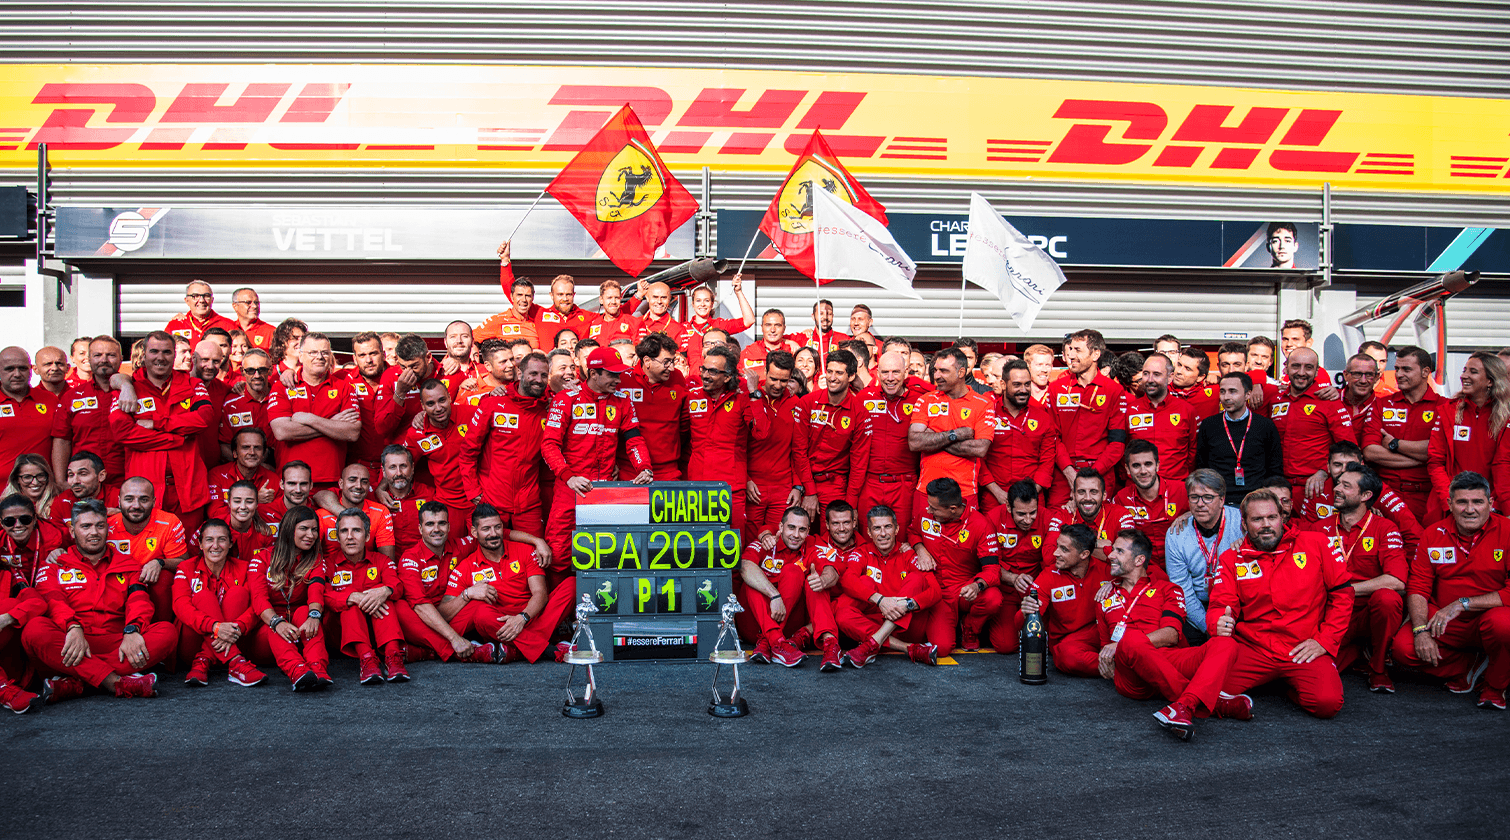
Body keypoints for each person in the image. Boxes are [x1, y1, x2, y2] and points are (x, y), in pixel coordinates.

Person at [1208, 488, 1352, 719]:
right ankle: (1278, 678)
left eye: (1272, 517)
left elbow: (1342, 595)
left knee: (1327, 704)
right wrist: (1218, 622)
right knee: (1207, 689)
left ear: (1282, 517)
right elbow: (1220, 603)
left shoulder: (1316, 543)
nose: (1266, 525)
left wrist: (1324, 641)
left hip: (1303, 647)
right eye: (1257, 519)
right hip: (1254, 647)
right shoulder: (1231, 558)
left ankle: (1287, 683)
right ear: (1244, 524)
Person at [1099, 528, 1248, 740]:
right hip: (1131, 674)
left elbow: (1171, 635)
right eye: (1113, 550)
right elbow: (1106, 648)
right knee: (1130, 639)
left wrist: (1121, 644)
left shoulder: (1169, 589)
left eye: (1119, 551)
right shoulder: (1104, 596)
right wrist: (1112, 654)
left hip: (1169, 659)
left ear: (1139, 560)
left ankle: (1185, 705)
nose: (1111, 555)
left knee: (1227, 643)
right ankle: (1213, 703)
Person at [23, 499, 170, 702]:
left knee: (167, 632)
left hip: (118, 643)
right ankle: (115, 682)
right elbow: (54, 601)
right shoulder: (55, 565)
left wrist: (132, 630)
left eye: (100, 526)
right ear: (72, 531)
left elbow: (139, 600)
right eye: (86, 526)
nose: (94, 532)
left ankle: (78, 681)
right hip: (71, 639)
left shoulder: (128, 564)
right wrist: (72, 627)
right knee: (34, 630)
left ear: (107, 529)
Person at [1391, 472, 1510, 710]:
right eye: (1462, 502)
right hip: (1444, 621)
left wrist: (1462, 604)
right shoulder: (1433, 534)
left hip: (1487, 618)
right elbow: (1418, 586)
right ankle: (1470, 665)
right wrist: (1420, 630)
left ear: (1490, 503)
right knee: (1403, 649)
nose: (1470, 510)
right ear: (1449, 504)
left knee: (1504, 625)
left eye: (1478, 502)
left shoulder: (1507, 531)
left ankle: (1494, 686)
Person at [540, 346, 654, 571]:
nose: (618, 380)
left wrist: (644, 467)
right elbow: (549, 445)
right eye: (612, 375)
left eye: (619, 374)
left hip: (605, 490)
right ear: (593, 373)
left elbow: (634, 439)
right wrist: (568, 476)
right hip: (570, 488)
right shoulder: (566, 399)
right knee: (560, 552)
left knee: (605, 554)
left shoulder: (622, 401)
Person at [1303, 463, 1407, 693]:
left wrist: (1346, 589)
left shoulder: (1385, 527)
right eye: (1338, 483)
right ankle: (1358, 651)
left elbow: (1397, 580)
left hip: (1365, 613)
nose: (1336, 489)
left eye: (1346, 486)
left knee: (1388, 599)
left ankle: (1378, 668)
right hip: (1329, 614)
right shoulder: (1318, 528)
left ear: (1365, 496)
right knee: (1314, 671)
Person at [437, 504, 575, 663]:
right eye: (486, 529)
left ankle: (517, 649)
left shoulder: (524, 550)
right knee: (481, 613)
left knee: (572, 584)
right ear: (474, 532)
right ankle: (547, 650)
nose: (493, 533)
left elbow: (540, 594)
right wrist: (468, 594)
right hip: (500, 624)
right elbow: (444, 614)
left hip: (531, 615)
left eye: (497, 527)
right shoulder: (466, 567)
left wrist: (522, 618)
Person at [393, 501, 503, 665]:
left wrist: (538, 542)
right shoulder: (410, 559)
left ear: (449, 526)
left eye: (442, 523)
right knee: (399, 607)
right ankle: (457, 651)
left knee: (481, 601)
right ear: (420, 529)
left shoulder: (460, 546)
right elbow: (421, 606)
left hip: (451, 617)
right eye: (430, 524)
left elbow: (495, 535)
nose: (437, 529)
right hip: (422, 624)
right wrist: (454, 638)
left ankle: (428, 652)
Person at [836, 505, 942, 667]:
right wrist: (881, 600)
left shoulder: (909, 554)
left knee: (916, 579)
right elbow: (847, 580)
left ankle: (874, 643)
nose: (883, 533)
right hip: (875, 623)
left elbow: (936, 591)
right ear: (869, 532)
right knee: (843, 613)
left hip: (908, 626)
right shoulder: (862, 552)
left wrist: (907, 604)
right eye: (877, 528)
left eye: (888, 527)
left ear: (896, 529)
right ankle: (908, 648)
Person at [459, 352, 550, 536]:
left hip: (528, 504)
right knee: (489, 551)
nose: (538, 380)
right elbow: (468, 451)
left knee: (535, 550)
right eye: (533, 373)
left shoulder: (549, 409)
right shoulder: (493, 403)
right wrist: (473, 491)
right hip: (491, 500)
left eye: (544, 375)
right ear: (520, 373)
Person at [171, 517, 268, 687]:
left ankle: (204, 659)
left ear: (230, 544)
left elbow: (257, 605)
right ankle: (236, 662)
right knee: (203, 597)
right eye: (209, 540)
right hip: (192, 644)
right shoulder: (185, 568)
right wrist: (215, 627)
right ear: (200, 544)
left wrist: (237, 627)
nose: (215, 546)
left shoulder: (244, 568)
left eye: (222, 540)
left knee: (238, 593)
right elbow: (181, 606)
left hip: (236, 638)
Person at [685, 344, 769, 534]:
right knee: (698, 543)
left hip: (731, 488)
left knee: (732, 544)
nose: (705, 375)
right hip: (697, 485)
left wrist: (754, 392)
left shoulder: (743, 399)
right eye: (704, 369)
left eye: (713, 371)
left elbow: (761, 432)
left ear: (728, 377)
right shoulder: (692, 397)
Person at [910, 477, 1000, 652]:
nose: (929, 510)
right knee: (942, 648)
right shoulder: (927, 513)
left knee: (992, 598)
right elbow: (912, 532)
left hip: (964, 588)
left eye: (934, 508)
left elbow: (993, 569)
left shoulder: (980, 524)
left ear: (952, 509)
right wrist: (920, 549)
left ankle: (970, 626)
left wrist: (977, 585)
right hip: (937, 591)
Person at [247, 505, 331, 690]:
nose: (310, 535)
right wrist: (277, 622)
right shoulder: (262, 558)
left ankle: (317, 668)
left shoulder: (315, 559)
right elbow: (258, 599)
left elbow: (316, 590)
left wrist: (314, 615)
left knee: (305, 611)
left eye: (314, 530)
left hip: (299, 633)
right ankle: (297, 671)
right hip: (268, 636)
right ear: (289, 529)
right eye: (304, 529)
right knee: (273, 626)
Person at [737, 506, 830, 668]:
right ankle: (776, 641)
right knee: (752, 580)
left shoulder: (812, 546)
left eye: (802, 530)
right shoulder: (766, 542)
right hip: (753, 625)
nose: (796, 535)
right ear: (781, 527)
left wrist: (824, 579)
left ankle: (772, 641)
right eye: (791, 527)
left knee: (793, 571)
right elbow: (745, 566)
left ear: (808, 531)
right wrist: (774, 595)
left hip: (787, 626)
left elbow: (830, 570)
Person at [323, 508, 408, 684]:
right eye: (344, 531)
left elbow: (397, 585)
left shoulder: (381, 560)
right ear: (337, 537)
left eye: (356, 530)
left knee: (384, 596)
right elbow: (323, 595)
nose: (350, 537)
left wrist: (384, 591)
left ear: (367, 536)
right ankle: (367, 659)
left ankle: (393, 656)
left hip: (378, 632)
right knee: (350, 603)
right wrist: (351, 597)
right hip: (340, 635)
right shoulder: (328, 564)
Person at [266, 332, 362, 486]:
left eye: (325, 352)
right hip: (293, 484)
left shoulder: (344, 387)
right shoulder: (282, 386)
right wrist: (331, 423)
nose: (320, 357)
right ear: (301, 356)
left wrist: (309, 419)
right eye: (313, 352)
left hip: (331, 481)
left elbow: (352, 432)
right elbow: (282, 432)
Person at [908, 347, 994, 516]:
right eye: (935, 370)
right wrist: (955, 434)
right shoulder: (926, 400)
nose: (937, 375)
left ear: (961, 372)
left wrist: (933, 437)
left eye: (944, 371)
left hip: (964, 493)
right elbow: (914, 442)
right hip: (926, 491)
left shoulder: (983, 403)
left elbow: (980, 449)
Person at [1045, 329, 1128, 505]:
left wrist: (1090, 476)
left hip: (1100, 473)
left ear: (1095, 354)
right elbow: (1052, 437)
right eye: (1070, 349)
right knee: (1058, 520)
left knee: (1100, 522)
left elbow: (1117, 444)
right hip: (1064, 474)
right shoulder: (1056, 388)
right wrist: (1069, 472)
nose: (1071, 356)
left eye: (1078, 350)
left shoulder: (1114, 390)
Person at [1297, 442, 1422, 557]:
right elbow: (1305, 536)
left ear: (1362, 465)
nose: (1344, 470)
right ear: (1328, 467)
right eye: (1337, 465)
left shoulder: (1377, 489)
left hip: (1369, 559)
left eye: (1351, 465)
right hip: (1327, 558)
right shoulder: (1317, 488)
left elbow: (1413, 534)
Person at [1019, 522, 1111, 678]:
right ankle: (1121, 668)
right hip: (1067, 643)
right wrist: (1025, 612)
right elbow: (1024, 623)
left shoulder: (1107, 571)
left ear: (1084, 554)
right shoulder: (1049, 575)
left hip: (1100, 634)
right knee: (1066, 657)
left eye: (1064, 549)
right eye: (1057, 546)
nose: (1055, 553)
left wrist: (1115, 584)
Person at [1361, 345, 1443, 521]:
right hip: (1386, 494)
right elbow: (1370, 452)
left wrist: (1395, 444)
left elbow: (1440, 450)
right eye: (1397, 368)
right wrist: (1422, 457)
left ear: (1425, 372)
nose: (1398, 374)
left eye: (1406, 369)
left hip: (1428, 496)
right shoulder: (1381, 404)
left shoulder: (1444, 407)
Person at [1163, 470, 1245, 643]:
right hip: (1197, 606)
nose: (1200, 504)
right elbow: (1182, 590)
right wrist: (1209, 625)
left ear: (1222, 500)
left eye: (1208, 497)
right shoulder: (1176, 534)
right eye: (1194, 497)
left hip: (1237, 603)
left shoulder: (1242, 523)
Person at [795, 348, 869, 527]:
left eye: (839, 373)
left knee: (833, 537)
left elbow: (859, 462)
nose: (832, 377)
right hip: (802, 481)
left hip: (835, 485)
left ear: (851, 376)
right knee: (795, 536)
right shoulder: (807, 402)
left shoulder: (860, 412)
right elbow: (798, 450)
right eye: (829, 371)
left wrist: (851, 504)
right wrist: (809, 491)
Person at [857, 351, 931, 531]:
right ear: (877, 373)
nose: (890, 378)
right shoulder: (864, 398)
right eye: (885, 372)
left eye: (896, 372)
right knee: (868, 537)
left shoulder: (920, 400)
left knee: (902, 537)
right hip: (870, 482)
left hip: (904, 484)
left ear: (906, 373)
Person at [1432, 352, 1509, 521]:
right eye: (1464, 370)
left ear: (1490, 381)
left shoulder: (1506, 416)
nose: (1464, 376)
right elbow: (1436, 462)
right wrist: (1450, 501)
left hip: (1493, 507)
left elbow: (1504, 465)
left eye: (1473, 371)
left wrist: (1496, 505)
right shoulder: (1448, 411)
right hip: (1452, 506)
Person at [107, 476, 190, 621]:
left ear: (154, 501)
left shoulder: (169, 522)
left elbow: (184, 562)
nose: (136, 505)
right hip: (116, 581)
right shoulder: (106, 526)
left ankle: (161, 625)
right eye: (129, 499)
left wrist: (160, 562)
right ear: (119, 501)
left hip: (149, 580)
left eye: (144, 500)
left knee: (165, 579)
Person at [980, 359, 1058, 512]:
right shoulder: (987, 413)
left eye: (1027, 384)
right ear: (1003, 384)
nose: (1023, 390)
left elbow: (1047, 461)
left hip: (1032, 495)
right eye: (1017, 385)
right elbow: (979, 460)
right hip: (995, 495)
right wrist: (997, 492)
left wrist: (1031, 494)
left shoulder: (1043, 417)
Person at [1196, 372, 1284, 506]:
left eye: (1233, 391)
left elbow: (1275, 468)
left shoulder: (1265, 426)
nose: (1226, 397)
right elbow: (1202, 467)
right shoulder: (1209, 425)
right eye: (1223, 392)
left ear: (1248, 394)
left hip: (1256, 501)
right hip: (1219, 501)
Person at [52, 335, 127, 490]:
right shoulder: (72, 396)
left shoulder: (134, 392)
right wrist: (60, 481)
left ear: (121, 358)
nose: (104, 360)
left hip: (125, 481)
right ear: (90, 359)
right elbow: (62, 440)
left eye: (111, 355)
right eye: (97, 355)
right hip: (83, 483)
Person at [745, 351, 803, 543]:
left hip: (783, 488)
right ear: (765, 372)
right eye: (774, 379)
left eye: (784, 380)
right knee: (750, 542)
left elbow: (799, 449)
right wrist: (745, 479)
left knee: (777, 543)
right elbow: (738, 444)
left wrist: (797, 486)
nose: (778, 385)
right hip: (754, 486)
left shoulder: (795, 403)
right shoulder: (749, 397)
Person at [983, 479, 1045, 653]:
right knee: (1005, 645)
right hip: (1006, 589)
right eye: (1021, 514)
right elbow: (989, 563)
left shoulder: (1048, 518)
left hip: (1038, 590)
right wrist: (1012, 578)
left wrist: (1038, 588)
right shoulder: (992, 518)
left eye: (1033, 512)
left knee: (1047, 640)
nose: (1028, 519)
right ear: (1009, 507)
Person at [403, 379, 473, 527]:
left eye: (442, 400)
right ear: (422, 406)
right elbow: (402, 463)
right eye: (430, 404)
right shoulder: (416, 434)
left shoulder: (471, 414)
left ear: (449, 397)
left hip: (478, 499)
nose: (438, 408)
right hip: (448, 504)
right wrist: (381, 488)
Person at [619, 334, 689, 481]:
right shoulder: (622, 380)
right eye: (666, 362)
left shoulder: (677, 378)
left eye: (673, 361)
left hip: (668, 471)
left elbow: (684, 426)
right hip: (629, 470)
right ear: (647, 361)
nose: (671, 368)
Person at [1113, 439, 1188, 568]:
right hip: (1143, 569)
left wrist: (1190, 514)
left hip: (1182, 565)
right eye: (1136, 465)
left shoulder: (1182, 490)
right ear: (1127, 469)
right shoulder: (1121, 498)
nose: (1143, 471)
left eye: (1148, 464)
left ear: (1157, 465)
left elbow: (1211, 513)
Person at [1124, 353, 1197, 481]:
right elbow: (1122, 450)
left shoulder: (1186, 410)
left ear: (1170, 377)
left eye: (1156, 374)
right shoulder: (1130, 410)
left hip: (1175, 485)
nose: (1150, 379)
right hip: (1139, 486)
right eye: (1146, 374)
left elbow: (1193, 452)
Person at [1043, 468, 1135, 564]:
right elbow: (1049, 557)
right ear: (1073, 495)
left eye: (1093, 492)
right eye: (1081, 492)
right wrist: (1095, 544)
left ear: (1104, 495)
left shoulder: (1121, 515)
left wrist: (1069, 549)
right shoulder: (1062, 515)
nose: (1087, 498)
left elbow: (1127, 557)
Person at [0, 520, 45, 710]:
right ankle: (3, 690)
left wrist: (6, 618)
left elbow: (38, 602)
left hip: (12, 667)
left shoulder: (8, 574)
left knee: (9, 605)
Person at [311, 463, 396, 560]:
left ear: (369, 485)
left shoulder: (380, 512)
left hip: (367, 568)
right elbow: (312, 559)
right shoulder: (322, 515)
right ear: (341, 483)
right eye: (352, 480)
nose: (359, 486)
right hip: (331, 568)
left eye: (364, 482)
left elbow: (388, 561)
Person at [338, 332, 390, 473]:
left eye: (373, 353)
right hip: (356, 468)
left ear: (383, 354)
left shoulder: (400, 377)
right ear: (354, 359)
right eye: (362, 355)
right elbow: (312, 377)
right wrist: (289, 373)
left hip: (393, 468)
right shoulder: (342, 379)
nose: (368, 360)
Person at [0, 347, 57, 474]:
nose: (17, 374)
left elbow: (62, 444)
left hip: (42, 483)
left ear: (31, 370)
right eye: (9, 369)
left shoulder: (50, 400)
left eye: (23, 368)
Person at [680, 274, 755, 370]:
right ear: (693, 304)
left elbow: (749, 320)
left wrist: (738, 292)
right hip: (691, 378)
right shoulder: (682, 328)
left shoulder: (719, 324)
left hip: (714, 377)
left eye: (706, 300)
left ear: (712, 304)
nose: (702, 304)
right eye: (698, 301)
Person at [208, 428, 278, 521]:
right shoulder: (217, 475)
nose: (252, 452)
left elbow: (278, 516)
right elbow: (215, 515)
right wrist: (255, 500)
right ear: (235, 453)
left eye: (257, 448)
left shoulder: (273, 479)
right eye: (245, 447)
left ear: (264, 454)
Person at [219, 348, 275, 463]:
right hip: (241, 468)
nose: (257, 375)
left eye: (262, 370)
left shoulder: (280, 397)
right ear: (242, 371)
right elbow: (224, 446)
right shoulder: (231, 403)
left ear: (270, 370)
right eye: (250, 370)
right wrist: (249, 467)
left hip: (277, 467)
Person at [375, 445, 434, 555]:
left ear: (412, 468)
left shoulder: (429, 495)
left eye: (403, 466)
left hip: (422, 561)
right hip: (386, 563)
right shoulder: (373, 497)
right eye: (392, 467)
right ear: (383, 471)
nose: (399, 473)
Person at [0, 493, 67, 586]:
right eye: (9, 521)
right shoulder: (1, 542)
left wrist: (62, 553)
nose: (18, 525)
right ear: (1, 523)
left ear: (35, 519)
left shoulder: (56, 539)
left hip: (48, 588)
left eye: (25, 519)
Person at [166, 280, 239, 345]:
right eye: (195, 296)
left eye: (206, 296)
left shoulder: (228, 326)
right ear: (187, 301)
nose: (201, 300)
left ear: (212, 300)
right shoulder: (175, 326)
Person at [738, 309, 799, 381]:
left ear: (784, 328)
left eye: (777, 325)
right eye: (768, 325)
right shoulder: (747, 353)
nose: (772, 330)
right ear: (762, 328)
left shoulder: (793, 350)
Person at [588, 277, 640, 342]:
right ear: (601, 300)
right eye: (609, 298)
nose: (613, 302)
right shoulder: (593, 324)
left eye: (617, 298)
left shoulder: (634, 322)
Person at [230, 287, 275, 353]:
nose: (254, 306)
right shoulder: (229, 328)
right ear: (235, 306)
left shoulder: (270, 332)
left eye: (256, 302)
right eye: (248, 302)